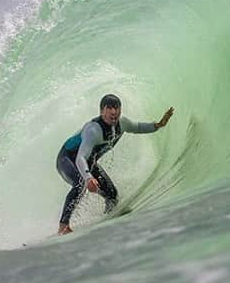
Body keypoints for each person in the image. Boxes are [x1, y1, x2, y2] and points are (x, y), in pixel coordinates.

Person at [55, 94, 174, 235]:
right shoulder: (93, 130)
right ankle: (63, 226)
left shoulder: (122, 124)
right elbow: (80, 157)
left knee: (112, 195)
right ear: (101, 111)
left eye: (116, 108)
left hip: (87, 162)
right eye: (109, 108)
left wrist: (158, 125)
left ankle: (107, 218)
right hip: (67, 158)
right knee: (79, 182)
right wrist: (88, 178)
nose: (114, 112)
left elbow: (138, 127)